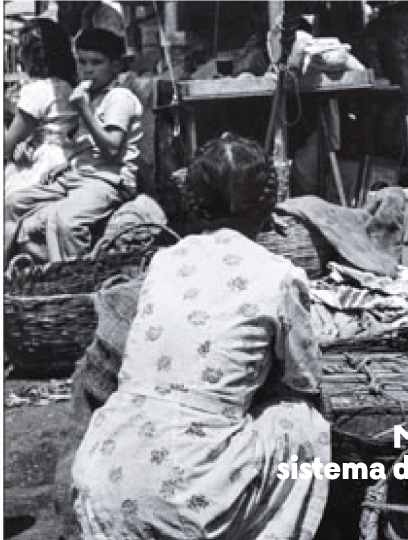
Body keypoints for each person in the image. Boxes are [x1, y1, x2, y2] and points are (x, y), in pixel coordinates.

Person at [71, 134, 331, 540]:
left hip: (101, 478)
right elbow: (304, 380)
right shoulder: (280, 275)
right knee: (303, 421)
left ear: (192, 203)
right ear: (270, 205)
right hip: (182, 497)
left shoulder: (163, 261)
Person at [4, 28, 142, 262]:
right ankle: (21, 265)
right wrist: (68, 163)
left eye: (97, 63)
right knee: (14, 202)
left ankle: (72, 274)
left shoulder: (119, 98)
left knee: (65, 221)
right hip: (79, 176)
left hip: (108, 180)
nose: (88, 69)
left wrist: (83, 110)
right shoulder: (94, 96)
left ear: (116, 66)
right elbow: (86, 146)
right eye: (82, 62)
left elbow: (111, 149)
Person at [4, 18, 78, 196]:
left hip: (42, 165)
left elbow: (8, 144)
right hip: (67, 159)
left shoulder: (37, 90)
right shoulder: (68, 86)